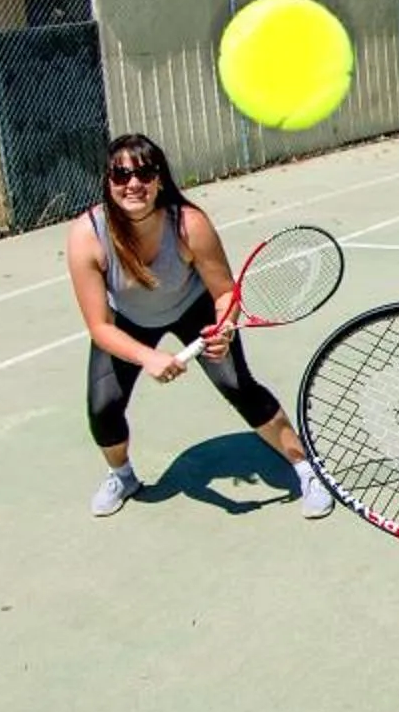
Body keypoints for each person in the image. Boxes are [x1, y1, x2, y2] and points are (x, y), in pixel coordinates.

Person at [67, 132, 333, 520]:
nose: (133, 183)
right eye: (121, 175)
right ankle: (122, 475)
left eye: (144, 172)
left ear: (160, 178)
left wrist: (225, 329)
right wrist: (148, 357)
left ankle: (307, 471)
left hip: (195, 307)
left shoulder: (189, 224)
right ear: (108, 182)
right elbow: (99, 327)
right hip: (128, 320)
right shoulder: (86, 236)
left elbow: (226, 292)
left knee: (237, 384)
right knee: (103, 406)